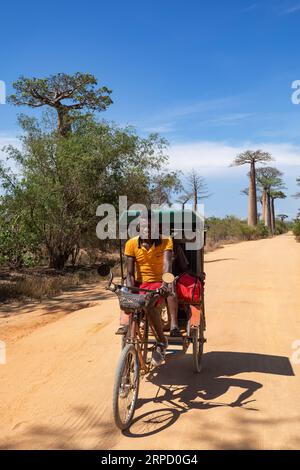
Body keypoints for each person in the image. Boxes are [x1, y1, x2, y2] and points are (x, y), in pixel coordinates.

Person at [117, 212, 173, 366]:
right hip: (140, 284)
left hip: (157, 283)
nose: (146, 230)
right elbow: (129, 273)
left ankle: (162, 342)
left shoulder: (166, 241)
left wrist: (165, 284)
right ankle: (130, 333)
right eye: (143, 227)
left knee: (149, 305)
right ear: (138, 228)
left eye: (150, 227)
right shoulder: (131, 244)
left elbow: (167, 264)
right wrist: (131, 291)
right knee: (128, 301)